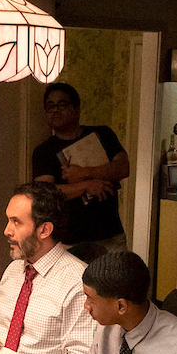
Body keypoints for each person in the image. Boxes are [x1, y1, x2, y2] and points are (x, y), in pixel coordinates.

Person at [0, 182, 97, 354]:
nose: (7, 231)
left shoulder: (77, 282)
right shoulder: (13, 270)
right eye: (8, 220)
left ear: (44, 230)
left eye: (16, 222)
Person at [32, 83, 130, 263]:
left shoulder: (102, 134)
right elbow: (45, 193)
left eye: (62, 105)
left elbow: (123, 167)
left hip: (109, 236)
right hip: (67, 242)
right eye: (50, 106)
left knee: (116, 288)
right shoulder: (43, 151)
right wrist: (86, 185)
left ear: (76, 109)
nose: (55, 110)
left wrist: (83, 173)